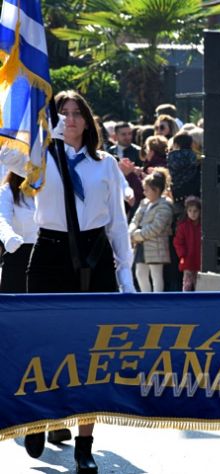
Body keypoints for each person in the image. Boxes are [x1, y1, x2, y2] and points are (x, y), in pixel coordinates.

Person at [0, 89, 135, 474]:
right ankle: (40, 417)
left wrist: (125, 274)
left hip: (94, 259)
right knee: (44, 345)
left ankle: (85, 444)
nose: (71, 120)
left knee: (92, 351)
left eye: (77, 113)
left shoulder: (103, 163)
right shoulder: (39, 158)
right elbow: (2, 154)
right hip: (49, 255)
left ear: (88, 121)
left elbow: (117, 223)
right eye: (63, 113)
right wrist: (29, 123)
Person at [129, 168, 174, 292]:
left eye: (147, 190)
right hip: (141, 246)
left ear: (157, 190)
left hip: (156, 246)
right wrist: (131, 232)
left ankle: (157, 300)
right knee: (140, 273)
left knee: (156, 275)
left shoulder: (165, 206)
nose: (144, 193)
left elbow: (156, 227)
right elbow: (135, 220)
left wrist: (138, 235)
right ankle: (145, 298)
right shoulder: (144, 203)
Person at [0, 171, 38, 292]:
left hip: (47, 257)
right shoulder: (7, 191)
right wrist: (9, 237)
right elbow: (2, 219)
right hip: (18, 255)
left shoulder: (50, 190)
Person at [173, 195, 201, 291]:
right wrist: (182, 254)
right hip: (188, 259)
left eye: (195, 211)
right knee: (187, 284)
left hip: (200, 260)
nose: (192, 214)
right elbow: (177, 242)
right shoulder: (183, 226)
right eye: (190, 211)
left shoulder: (203, 226)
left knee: (200, 284)